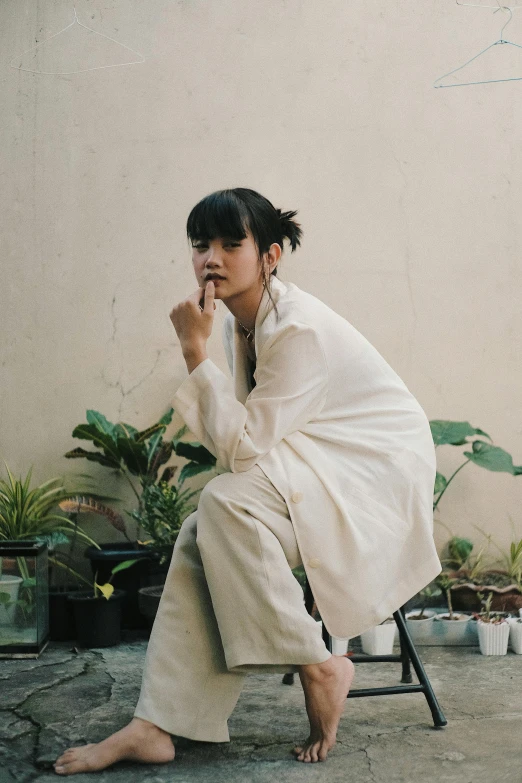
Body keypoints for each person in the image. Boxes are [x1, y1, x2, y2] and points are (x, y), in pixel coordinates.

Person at [53, 187, 441, 775]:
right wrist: (206, 350)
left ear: (271, 256)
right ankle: (156, 724)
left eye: (231, 244)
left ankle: (317, 665)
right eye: (200, 245)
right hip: (315, 462)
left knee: (224, 503)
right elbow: (240, 443)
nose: (211, 257)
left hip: (371, 477)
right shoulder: (246, 322)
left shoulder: (296, 330)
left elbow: (240, 448)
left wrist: (192, 350)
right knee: (200, 529)